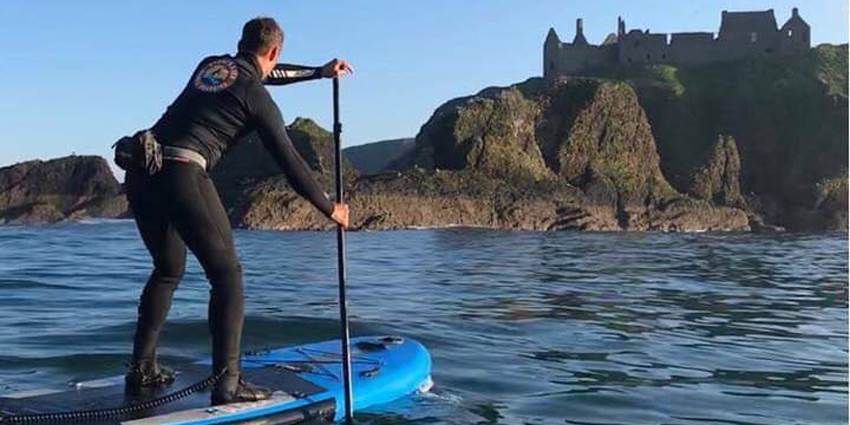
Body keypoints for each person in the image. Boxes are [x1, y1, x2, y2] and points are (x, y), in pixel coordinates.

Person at [122, 17, 352, 405]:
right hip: (183, 173)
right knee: (227, 276)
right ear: (275, 50)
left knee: (167, 270)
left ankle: (142, 370)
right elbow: (291, 163)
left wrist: (318, 72)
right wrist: (331, 208)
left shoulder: (211, 65)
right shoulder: (257, 98)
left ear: (240, 43)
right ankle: (228, 384)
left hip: (142, 171)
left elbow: (262, 71)